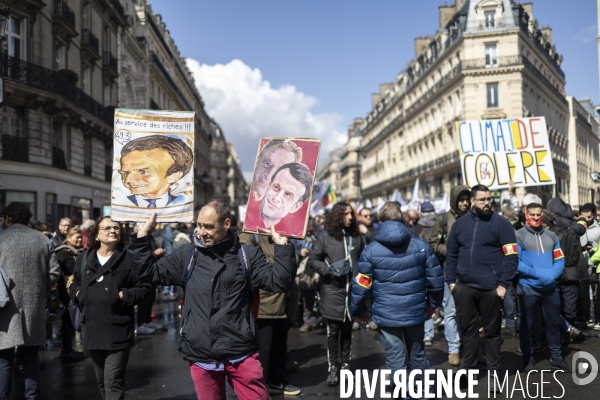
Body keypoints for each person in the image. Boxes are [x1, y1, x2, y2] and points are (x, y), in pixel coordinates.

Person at [128, 201, 296, 400]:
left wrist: (282, 246)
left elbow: (279, 283)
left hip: (241, 353)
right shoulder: (187, 255)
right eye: (199, 225)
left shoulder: (247, 254)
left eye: (208, 226)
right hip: (201, 354)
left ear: (226, 224)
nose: (201, 232)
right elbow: (148, 273)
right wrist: (141, 237)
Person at [350, 201, 444, 397]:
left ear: (381, 220)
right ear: (401, 218)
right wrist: (433, 304)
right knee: (417, 355)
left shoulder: (371, 251)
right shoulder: (420, 246)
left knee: (395, 358)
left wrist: (358, 310)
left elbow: (362, 285)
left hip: (387, 313)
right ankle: (423, 393)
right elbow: (436, 280)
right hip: (415, 311)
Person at [69, 216, 152, 400]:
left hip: (118, 330)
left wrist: (123, 295)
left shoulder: (129, 257)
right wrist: (77, 294)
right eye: (107, 228)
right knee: (101, 382)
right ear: (96, 235)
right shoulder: (84, 258)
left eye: (116, 228)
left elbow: (145, 288)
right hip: (91, 330)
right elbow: (74, 283)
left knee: (113, 382)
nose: (113, 231)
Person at [445, 184, 518, 378]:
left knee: (492, 333)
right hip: (465, 288)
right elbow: (451, 254)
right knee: (468, 331)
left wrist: (503, 285)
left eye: (489, 199)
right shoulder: (459, 225)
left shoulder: (502, 224)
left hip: (491, 288)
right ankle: (468, 369)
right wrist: (452, 283)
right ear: (472, 201)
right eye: (482, 199)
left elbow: (511, 257)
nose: (487, 203)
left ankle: (493, 369)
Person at [0, 202, 61, 399]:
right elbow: (54, 273)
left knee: (4, 359)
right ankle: (32, 396)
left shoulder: (1, 239)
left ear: (8, 218)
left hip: (4, 306)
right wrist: (39, 289)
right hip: (33, 306)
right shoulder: (42, 240)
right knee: (31, 356)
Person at [308, 202, 365, 386]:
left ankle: (346, 366)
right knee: (333, 332)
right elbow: (313, 259)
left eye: (351, 214)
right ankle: (333, 368)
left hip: (352, 292)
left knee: (347, 331)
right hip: (332, 291)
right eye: (346, 214)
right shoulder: (325, 237)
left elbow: (364, 261)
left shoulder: (357, 237)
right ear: (337, 216)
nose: (350, 217)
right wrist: (329, 270)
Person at [238, 232, 301, 396]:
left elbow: (292, 264)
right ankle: (260, 387)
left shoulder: (283, 233)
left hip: (283, 301)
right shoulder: (250, 234)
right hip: (264, 303)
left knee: (279, 346)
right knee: (262, 350)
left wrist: (285, 248)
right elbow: (247, 259)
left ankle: (277, 381)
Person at [516, 202, 570, 372]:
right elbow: (515, 262)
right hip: (528, 288)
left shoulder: (552, 236)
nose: (536, 217)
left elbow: (560, 260)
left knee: (553, 324)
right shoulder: (517, 235)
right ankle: (528, 359)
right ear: (526, 215)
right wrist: (540, 274)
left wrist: (552, 275)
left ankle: (556, 357)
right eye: (532, 214)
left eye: (539, 214)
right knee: (527, 326)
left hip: (550, 288)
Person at [428, 185, 470, 366]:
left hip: (472, 274)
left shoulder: (474, 217)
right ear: (454, 200)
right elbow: (433, 244)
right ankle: (453, 350)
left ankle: (471, 350)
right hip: (450, 273)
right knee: (451, 312)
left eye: (467, 199)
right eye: (461, 199)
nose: (465, 203)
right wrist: (453, 251)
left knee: (471, 314)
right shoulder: (444, 219)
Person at [118, 135, 194, 207]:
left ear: (174, 177)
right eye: (125, 173)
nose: (127, 180)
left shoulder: (181, 207)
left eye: (143, 172)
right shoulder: (120, 206)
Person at [546, 197, 587, 327]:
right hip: (572, 270)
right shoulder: (573, 226)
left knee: (555, 301)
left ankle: (558, 327)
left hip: (554, 270)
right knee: (570, 301)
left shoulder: (549, 224)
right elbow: (582, 228)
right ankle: (570, 327)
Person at [54, 227, 86, 361]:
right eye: (76, 237)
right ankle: (67, 351)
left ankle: (70, 350)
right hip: (65, 293)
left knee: (76, 321)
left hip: (80, 290)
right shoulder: (62, 253)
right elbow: (56, 273)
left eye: (80, 237)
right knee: (67, 322)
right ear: (68, 238)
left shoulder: (83, 252)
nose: (79, 240)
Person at [258, 163, 312, 229]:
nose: (276, 198)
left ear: (296, 207)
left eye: (287, 194)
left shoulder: (290, 237)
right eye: (276, 187)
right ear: (268, 185)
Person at [579, 203, 600, 328]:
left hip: (594, 265)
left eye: (589, 217)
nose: (586, 220)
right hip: (581, 265)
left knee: (596, 294)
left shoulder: (598, 229)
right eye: (583, 218)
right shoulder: (577, 228)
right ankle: (586, 318)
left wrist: (594, 249)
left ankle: (597, 318)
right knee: (584, 294)